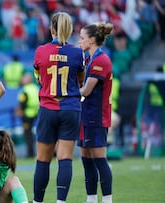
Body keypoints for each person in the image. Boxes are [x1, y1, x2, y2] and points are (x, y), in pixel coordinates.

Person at [32, 12, 85, 203]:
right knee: (65, 158)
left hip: (48, 107)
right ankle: (60, 201)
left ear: (51, 29)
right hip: (70, 108)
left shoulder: (40, 51)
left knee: (43, 159)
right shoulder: (77, 52)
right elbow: (80, 80)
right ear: (69, 30)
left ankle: (38, 201)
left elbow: (38, 78)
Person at [77, 22, 114, 203]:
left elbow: (86, 91)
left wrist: (63, 91)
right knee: (86, 158)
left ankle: (107, 200)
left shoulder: (101, 60)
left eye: (82, 38)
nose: (80, 41)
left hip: (96, 116)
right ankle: (91, 198)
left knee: (99, 158)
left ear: (91, 40)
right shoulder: (88, 59)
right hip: (86, 115)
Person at [15, 73, 39, 157]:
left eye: (24, 78)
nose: (22, 80)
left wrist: (19, 111)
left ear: (27, 80)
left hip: (27, 115)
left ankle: (30, 153)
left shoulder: (25, 90)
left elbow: (22, 103)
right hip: (37, 113)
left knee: (28, 134)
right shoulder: (36, 88)